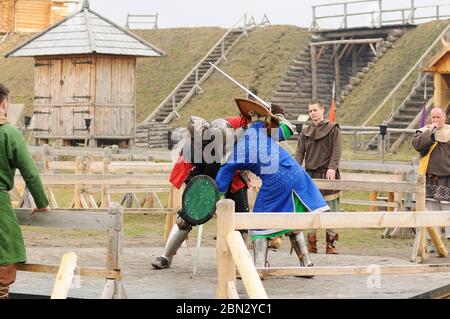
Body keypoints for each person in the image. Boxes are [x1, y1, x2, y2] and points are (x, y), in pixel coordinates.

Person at [215, 98, 329, 278]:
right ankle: (306, 264)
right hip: (296, 173)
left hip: (277, 180)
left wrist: (215, 196)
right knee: (291, 220)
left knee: (259, 222)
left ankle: (258, 270)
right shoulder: (261, 129)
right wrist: (275, 117)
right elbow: (288, 129)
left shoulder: (241, 147)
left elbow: (224, 174)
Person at [152, 116, 234, 269]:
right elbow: (195, 173)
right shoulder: (194, 147)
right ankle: (165, 257)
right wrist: (195, 188)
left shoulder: (231, 148)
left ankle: (239, 263)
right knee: (184, 219)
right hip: (206, 186)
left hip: (233, 185)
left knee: (239, 222)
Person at [0, 83, 49, 299]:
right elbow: (30, 172)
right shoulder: (9, 132)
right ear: (4, 104)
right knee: (5, 251)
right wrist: (41, 202)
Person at [295, 100, 342, 254]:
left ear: (322, 110)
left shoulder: (333, 129)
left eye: (315, 110)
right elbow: (300, 152)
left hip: (328, 174)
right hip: (310, 174)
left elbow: (337, 150)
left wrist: (332, 168)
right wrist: (296, 169)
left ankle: (330, 245)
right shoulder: (305, 131)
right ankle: (311, 244)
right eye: (310, 111)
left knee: (331, 209)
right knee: (311, 209)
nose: (312, 113)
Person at [412, 107, 450, 244]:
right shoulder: (424, 132)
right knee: (431, 208)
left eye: (438, 117)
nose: (435, 120)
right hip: (429, 178)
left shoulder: (449, 132)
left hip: (447, 178)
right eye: (433, 117)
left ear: (444, 118)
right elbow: (417, 145)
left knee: (447, 208)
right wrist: (430, 132)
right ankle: (433, 240)